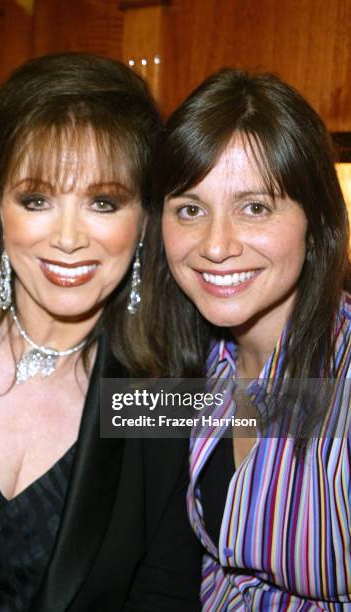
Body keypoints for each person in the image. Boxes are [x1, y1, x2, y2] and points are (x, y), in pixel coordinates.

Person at [0, 53, 201, 611]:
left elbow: (304, 413)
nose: (69, 237)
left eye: (104, 202)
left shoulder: (160, 400)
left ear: (146, 220)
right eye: (37, 199)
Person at [147, 68, 351, 609]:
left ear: (317, 224)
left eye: (254, 207)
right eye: (191, 209)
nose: (216, 245)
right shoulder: (191, 366)